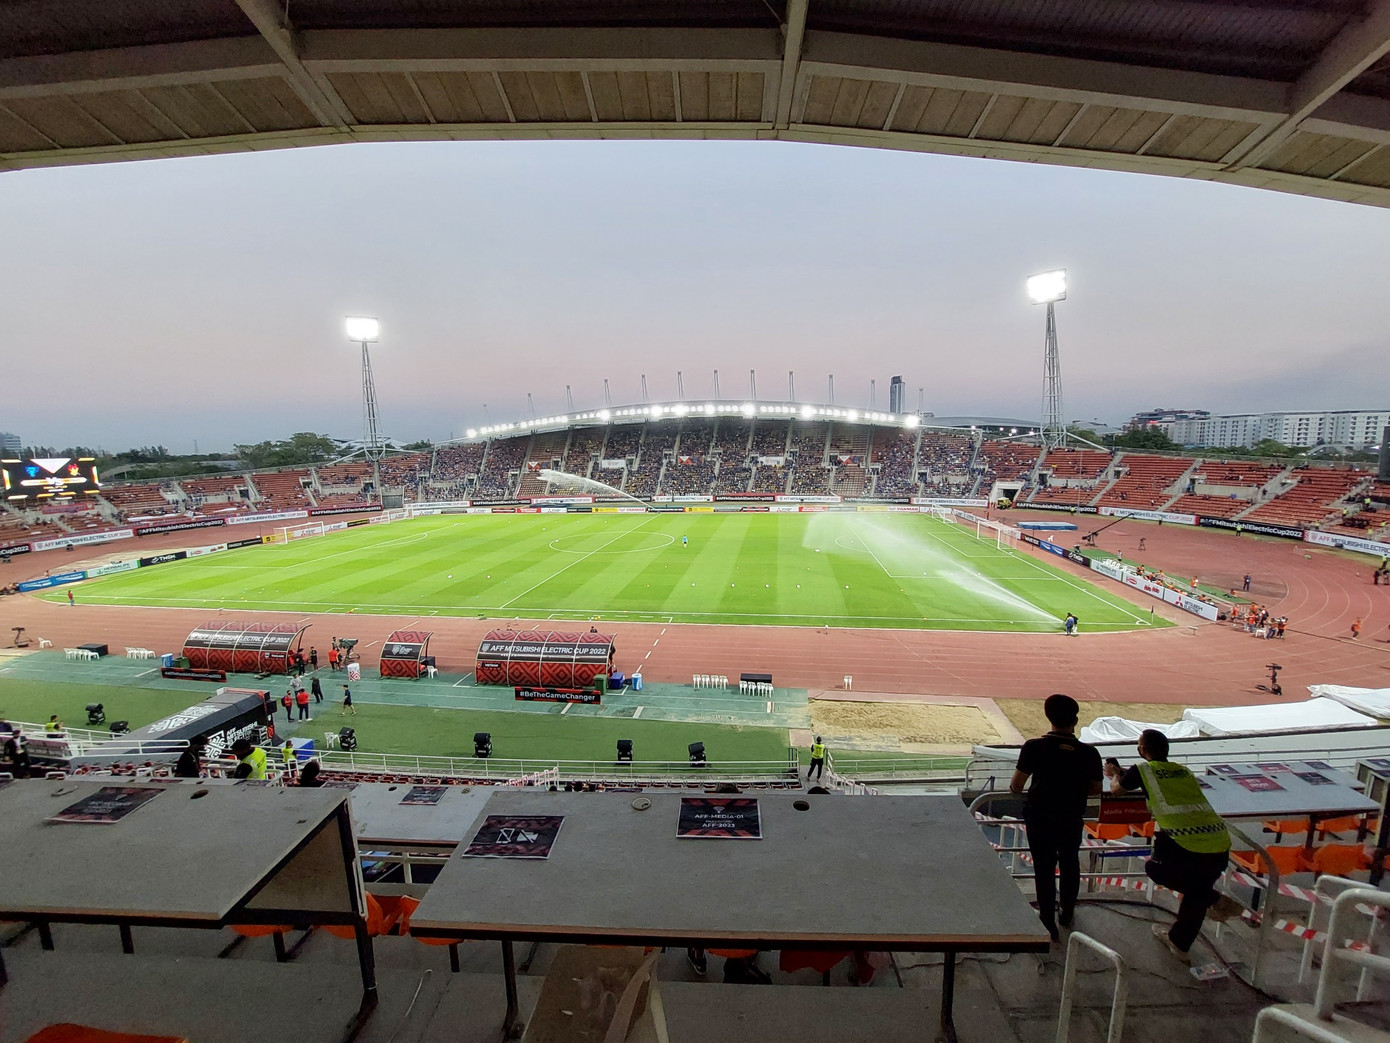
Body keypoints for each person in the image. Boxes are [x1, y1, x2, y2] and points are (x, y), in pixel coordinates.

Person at [1107, 729, 1239, 960]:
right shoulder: (1182, 770)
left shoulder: (1142, 769)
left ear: (1143, 750)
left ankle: (1214, 899)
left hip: (1185, 840)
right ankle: (1180, 943)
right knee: (1196, 890)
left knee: (1155, 870)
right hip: (1218, 839)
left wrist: (1114, 774)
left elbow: (1117, 790)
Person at [1009, 694, 1102, 942]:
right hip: (1071, 817)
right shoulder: (1090, 753)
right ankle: (1067, 912)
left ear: (1048, 717)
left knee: (1044, 867)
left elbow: (1016, 786)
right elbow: (1095, 789)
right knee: (1070, 863)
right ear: (1075, 719)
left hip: (1039, 817)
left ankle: (1047, 920)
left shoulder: (1033, 747)